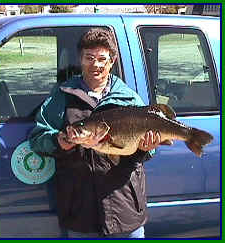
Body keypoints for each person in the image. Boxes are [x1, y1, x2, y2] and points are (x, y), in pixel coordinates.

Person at [29, 28, 161, 238]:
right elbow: (37, 139)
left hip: (124, 209)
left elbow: (147, 152)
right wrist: (58, 142)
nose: (96, 65)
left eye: (102, 58)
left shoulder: (129, 98)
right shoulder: (63, 96)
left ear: (112, 61)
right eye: (89, 58)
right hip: (81, 213)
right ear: (80, 59)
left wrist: (146, 148)